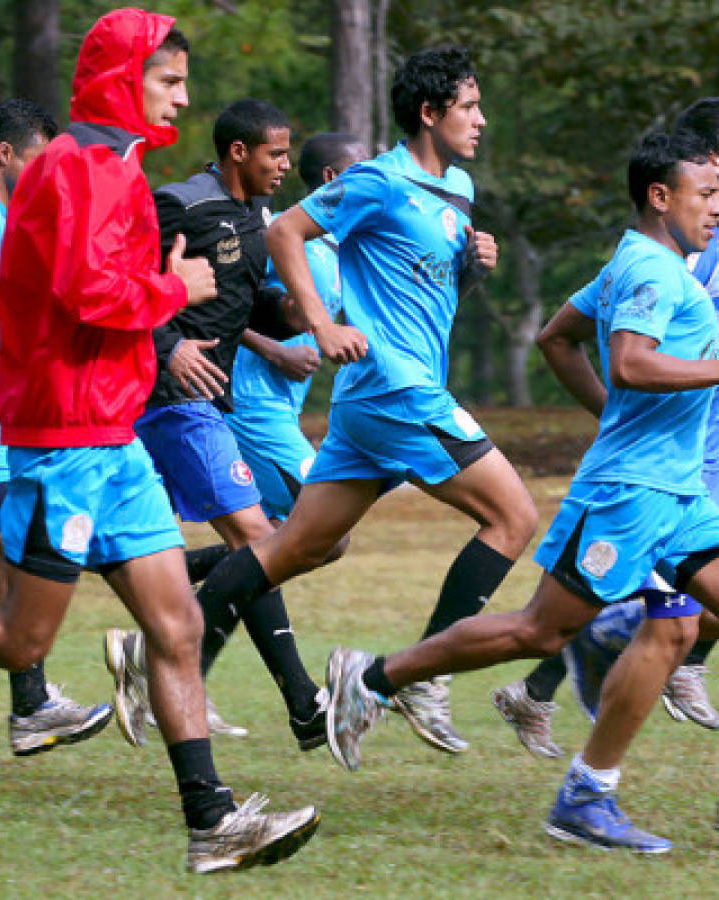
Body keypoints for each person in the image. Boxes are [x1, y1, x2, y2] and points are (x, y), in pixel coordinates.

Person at [325, 128, 719, 852]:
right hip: (626, 493)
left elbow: (563, 336)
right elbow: (630, 362)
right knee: (540, 630)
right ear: (659, 198)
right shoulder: (653, 270)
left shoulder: (653, 265)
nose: (716, 211)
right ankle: (374, 677)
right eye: (703, 196)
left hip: (678, 491)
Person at [0, 8, 318, 872]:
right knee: (19, 644)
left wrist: (163, 291)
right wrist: (173, 288)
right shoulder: (73, 171)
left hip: (115, 437)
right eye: (170, 82)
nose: (184, 102)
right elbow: (85, 294)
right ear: (122, 78)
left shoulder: (117, 169)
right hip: (61, 439)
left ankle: (212, 825)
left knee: (178, 624)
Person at [195, 45, 537, 756]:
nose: (480, 119)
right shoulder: (379, 180)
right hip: (393, 390)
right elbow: (286, 231)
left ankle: (158, 656)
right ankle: (417, 675)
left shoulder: (460, 188)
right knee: (513, 516)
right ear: (428, 113)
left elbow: (428, 294)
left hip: (378, 400)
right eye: (468, 107)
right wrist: (321, 323)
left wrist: (471, 273)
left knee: (293, 546)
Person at [491, 133, 719, 756]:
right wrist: (630, 409)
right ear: (714, 168)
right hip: (667, 463)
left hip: (714, 452)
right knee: (585, 617)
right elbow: (634, 354)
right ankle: (626, 758)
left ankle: (713, 747)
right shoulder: (682, 253)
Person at [105, 99, 331, 749]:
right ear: (239, 153)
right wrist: (169, 343)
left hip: (204, 400)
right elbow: (123, 284)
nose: (285, 165)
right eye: (276, 154)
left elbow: (250, 304)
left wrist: (294, 315)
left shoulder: (262, 218)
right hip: (169, 394)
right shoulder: (180, 203)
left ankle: (161, 663)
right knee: (259, 541)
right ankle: (299, 700)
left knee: (265, 543)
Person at [0, 98, 113, 757]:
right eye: (41, 159)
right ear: (7, 155)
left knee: (23, 538)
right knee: (25, 539)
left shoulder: (3, 216)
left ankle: (32, 708)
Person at [226, 132, 369, 525]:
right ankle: (175, 580)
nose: (376, 178)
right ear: (331, 178)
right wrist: (276, 352)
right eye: (364, 170)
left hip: (285, 406)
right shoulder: (286, 238)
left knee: (270, 534)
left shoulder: (342, 250)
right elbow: (222, 307)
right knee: (322, 525)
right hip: (249, 400)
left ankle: (180, 582)